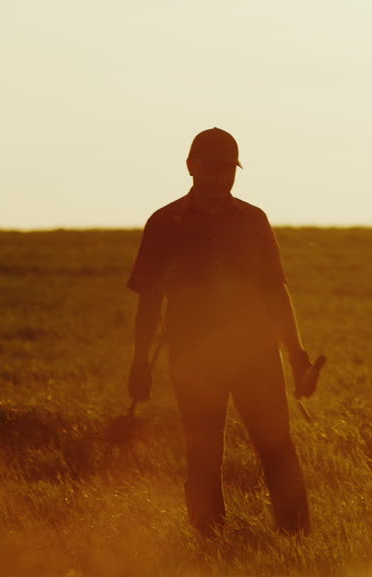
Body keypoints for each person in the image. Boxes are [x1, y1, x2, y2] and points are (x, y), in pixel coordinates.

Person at [127, 128, 315, 537]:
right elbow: (149, 300)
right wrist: (140, 362)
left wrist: (297, 354)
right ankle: (209, 540)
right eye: (213, 169)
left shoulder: (253, 220)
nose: (222, 177)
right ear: (191, 167)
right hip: (194, 359)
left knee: (277, 447)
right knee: (203, 454)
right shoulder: (164, 223)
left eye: (229, 170)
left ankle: (297, 537)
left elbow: (275, 292)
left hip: (256, 355)